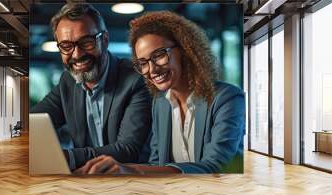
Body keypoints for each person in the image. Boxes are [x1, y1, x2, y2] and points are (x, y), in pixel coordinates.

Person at [76, 11, 245, 174]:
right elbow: (156, 164)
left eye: (158, 55)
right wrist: (119, 171)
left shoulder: (228, 98)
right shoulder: (160, 104)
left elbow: (216, 167)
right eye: (143, 63)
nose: (152, 70)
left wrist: (131, 170)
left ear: (186, 50)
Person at [31, 3, 152, 170]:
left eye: (86, 42)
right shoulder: (68, 81)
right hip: (86, 182)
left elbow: (127, 150)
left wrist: (64, 157)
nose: (77, 54)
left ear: (105, 40)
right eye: (66, 46)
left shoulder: (136, 79)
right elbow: (34, 121)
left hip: (132, 184)